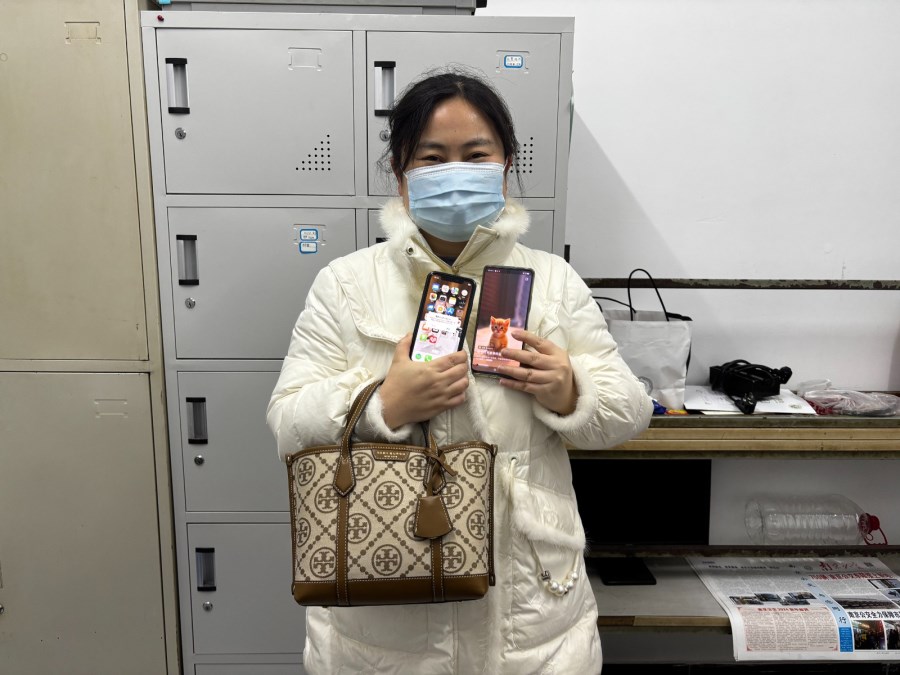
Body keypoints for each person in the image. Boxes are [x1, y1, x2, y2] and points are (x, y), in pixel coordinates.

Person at [267, 67, 652, 674]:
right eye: (432, 158)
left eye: (475, 156)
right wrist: (381, 406)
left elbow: (630, 414)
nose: (455, 173)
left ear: (505, 168)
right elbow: (287, 425)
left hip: (532, 624)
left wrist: (570, 389)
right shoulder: (345, 284)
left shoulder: (552, 281)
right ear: (401, 175)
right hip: (384, 625)